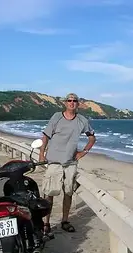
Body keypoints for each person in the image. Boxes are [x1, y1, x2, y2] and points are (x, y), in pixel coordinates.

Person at [39, 93, 96, 233]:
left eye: (74, 100)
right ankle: (46, 223)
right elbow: (46, 136)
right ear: (65, 103)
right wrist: (41, 153)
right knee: (49, 193)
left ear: (78, 103)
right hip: (54, 161)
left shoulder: (82, 120)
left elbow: (92, 138)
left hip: (70, 163)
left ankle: (65, 220)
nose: (72, 103)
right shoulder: (57, 117)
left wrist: (84, 152)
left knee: (68, 193)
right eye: (69, 100)